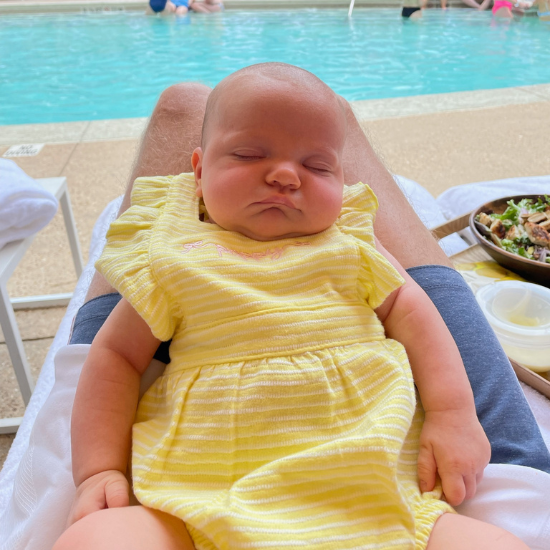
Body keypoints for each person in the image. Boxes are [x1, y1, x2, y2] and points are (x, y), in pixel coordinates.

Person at [53, 63, 534, 550]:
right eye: (247, 154)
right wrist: (99, 470)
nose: (285, 175)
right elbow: (114, 357)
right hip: (202, 500)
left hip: (378, 497)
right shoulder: (174, 251)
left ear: (342, 182)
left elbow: (415, 313)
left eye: (318, 166)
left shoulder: (350, 238)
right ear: (197, 172)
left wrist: (452, 414)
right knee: (97, 537)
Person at [148, 0, 223, 16]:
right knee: (169, 8)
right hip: (172, 3)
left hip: (183, 5)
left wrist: (189, 4)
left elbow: (190, 2)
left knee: (180, 12)